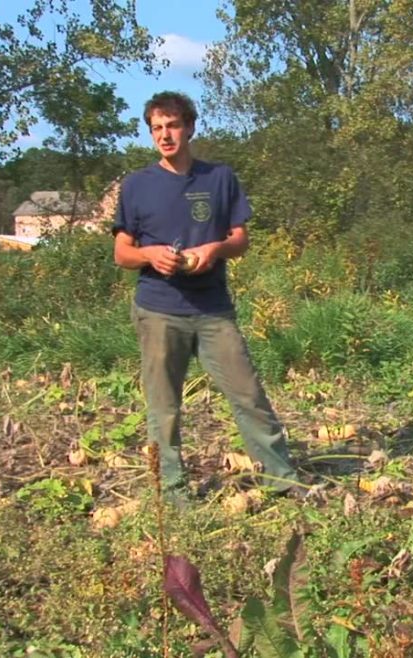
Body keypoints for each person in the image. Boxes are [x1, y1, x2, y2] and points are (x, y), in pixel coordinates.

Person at [113, 91, 301, 498]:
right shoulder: (136, 186)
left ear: (190, 127)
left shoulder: (219, 178)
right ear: (150, 134)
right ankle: (173, 493)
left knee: (248, 394)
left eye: (173, 126)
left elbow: (240, 239)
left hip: (213, 309)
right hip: (159, 309)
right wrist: (150, 255)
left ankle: (282, 480)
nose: (165, 135)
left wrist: (212, 250)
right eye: (157, 128)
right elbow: (121, 252)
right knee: (164, 408)